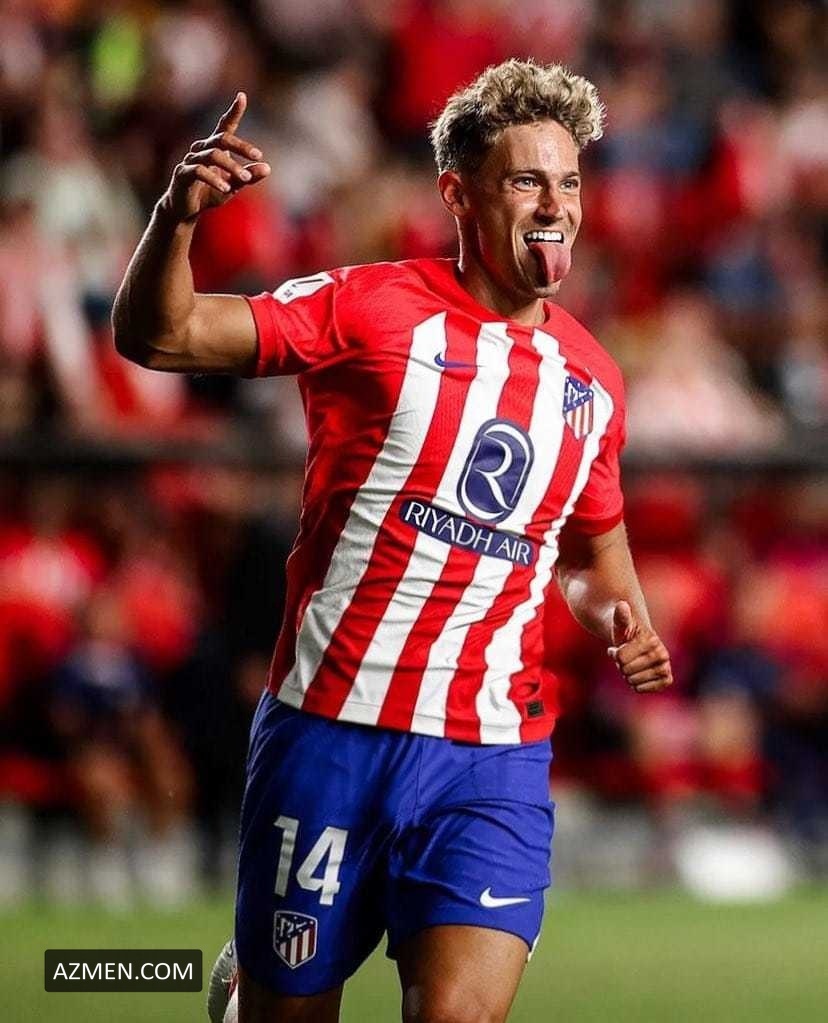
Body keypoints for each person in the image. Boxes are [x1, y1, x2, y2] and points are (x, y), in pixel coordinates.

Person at [113, 58, 673, 1023]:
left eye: (570, 181)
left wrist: (621, 617)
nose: (556, 205)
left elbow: (591, 558)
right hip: (332, 730)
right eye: (527, 180)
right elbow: (161, 338)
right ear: (458, 194)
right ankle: (250, 982)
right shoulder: (369, 308)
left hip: (491, 751)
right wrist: (176, 219)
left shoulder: (591, 380)